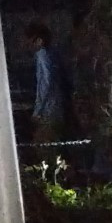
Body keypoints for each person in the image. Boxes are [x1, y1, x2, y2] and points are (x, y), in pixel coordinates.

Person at [27, 22, 71, 161]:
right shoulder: (53, 54)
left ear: (39, 40)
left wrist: (37, 111)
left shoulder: (41, 56)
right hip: (57, 109)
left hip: (48, 111)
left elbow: (44, 84)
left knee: (43, 149)